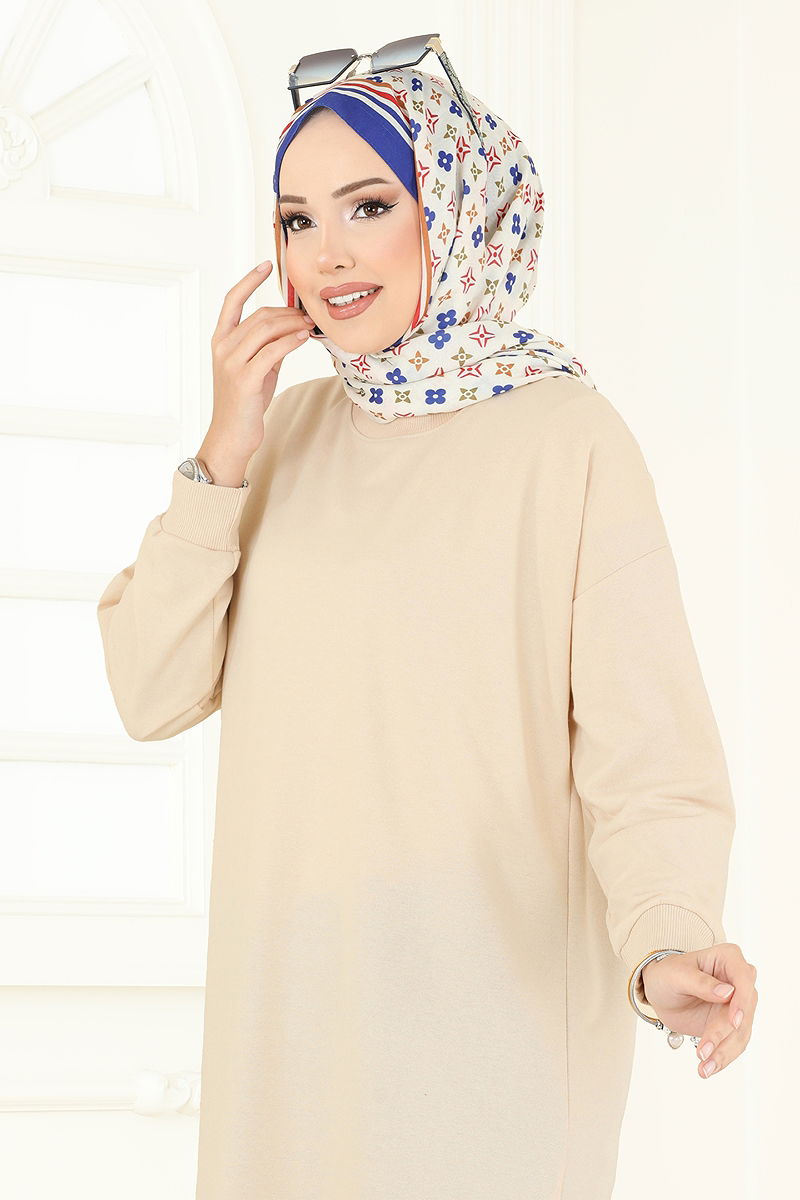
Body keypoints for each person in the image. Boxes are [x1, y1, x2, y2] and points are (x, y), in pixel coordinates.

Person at [97, 65, 756, 1200]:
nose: (328, 254)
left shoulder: (567, 438)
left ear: (452, 211)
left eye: (368, 205)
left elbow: (645, 749)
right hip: (287, 1036)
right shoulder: (279, 437)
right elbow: (149, 692)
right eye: (297, 221)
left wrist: (665, 942)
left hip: (486, 1041)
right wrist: (223, 451)